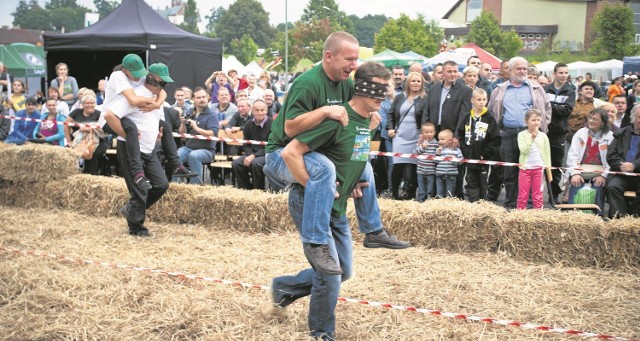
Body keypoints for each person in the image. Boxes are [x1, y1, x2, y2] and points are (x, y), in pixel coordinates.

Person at [264, 32, 410, 267]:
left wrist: (369, 122)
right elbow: (289, 128)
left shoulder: (347, 84)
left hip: (313, 150)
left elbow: (353, 122)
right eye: (349, 59)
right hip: (281, 154)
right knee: (325, 169)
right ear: (329, 56)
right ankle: (316, 243)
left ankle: (373, 230)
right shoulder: (307, 83)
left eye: (356, 60)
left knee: (366, 171)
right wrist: (324, 111)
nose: (354, 66)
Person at [271, 61, 392, 340]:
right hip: (309, 197)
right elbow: (290, 148)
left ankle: (284, 287)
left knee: (344, 271)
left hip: (335, 206)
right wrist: (320, 189)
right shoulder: (318, 99)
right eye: (377, 90)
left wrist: (350, 184)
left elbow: (354, 157)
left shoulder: (360, 118)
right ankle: (322, 332)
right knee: (329, 273)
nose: (381, 96)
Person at [104, 63, 172, 236]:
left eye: (165, 84)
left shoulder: (157, 96)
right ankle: (136, 227)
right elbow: (109, 115)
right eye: (162, 83)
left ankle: (131, 209)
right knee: (139, 189)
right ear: (151, 79)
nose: (164, 87)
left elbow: (158, 110)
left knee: (161, 184)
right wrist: (127, 136)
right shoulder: (133, 95)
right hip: (131, 149)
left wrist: (157, 128)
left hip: (149, 149)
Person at [488, 56, 551, 209]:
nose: (522, 71)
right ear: (510, 71)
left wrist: (541, 128)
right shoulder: (500, 89)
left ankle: (529, 205)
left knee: (531, 169)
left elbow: (547, 109)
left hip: (531, 134)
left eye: (524, 68)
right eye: (518, 68)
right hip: (507, 134)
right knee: (510, 171)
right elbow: (491, 111)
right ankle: (511, 203)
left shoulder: (536, 88)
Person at [425, 60, 473, 199]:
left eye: (455, 71)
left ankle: (455, 196)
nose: (453, 74)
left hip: (453, 133)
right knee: (434, 164)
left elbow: (464, 115)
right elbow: (426, 111)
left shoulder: (465, 90)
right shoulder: (433, 89)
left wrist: (457, 135)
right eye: (449, 71)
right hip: (434, 133)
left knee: (454, 168)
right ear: (443, 73)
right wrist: (425, 132)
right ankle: (435, 196)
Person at [565, 108, 613, 215]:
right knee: (576, 183)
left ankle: (597, 216)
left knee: (598, 186)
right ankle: (572, 215)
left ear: (603, 122)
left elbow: (612, 161)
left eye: (595, 119)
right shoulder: (581, 133)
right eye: (590, 118)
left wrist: (603, 176)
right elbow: (572, 155)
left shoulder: (610, 137)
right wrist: (575, 173)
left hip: (600, 172)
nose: (591, 121)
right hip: (580, 170)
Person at [386, 71, 427, 200]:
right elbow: (391, 114)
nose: (416, 83)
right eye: (413, 81)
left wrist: (424, 133)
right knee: (397, 165)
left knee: (413, 167)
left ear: (422, 83)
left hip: (416, 137)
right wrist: (391, 128)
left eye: (418, 81)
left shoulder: (425, 98)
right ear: (408, 82)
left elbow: (427, 117)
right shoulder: (399, 97)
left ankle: (409, 194)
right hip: (400, 136)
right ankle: (394, 194)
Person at [457, 88, 501, 202]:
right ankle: (474, 205)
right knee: (471, 182)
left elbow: (495, 139)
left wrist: (485, 153)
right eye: (479, 99)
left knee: (482, 183)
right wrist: (464, 150)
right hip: (469, 157)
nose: (482, 102)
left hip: (483, 159)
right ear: (472, 100)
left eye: (484, 99)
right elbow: (461, 134)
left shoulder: (489, 118)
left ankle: (482, 205)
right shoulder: (467, 117)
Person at [544, 62, 576, 203]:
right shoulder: (545, 89)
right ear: (554, 73)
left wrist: (548, 106)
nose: (564, 75)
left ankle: (554, 195)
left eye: (566, 73)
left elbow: (567, 110)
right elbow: (539, 107)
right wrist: (557, 107)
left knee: (556, 165)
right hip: (544, 131)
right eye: (561, 72)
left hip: (559, 133)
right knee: (540, 164)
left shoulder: (570, 91)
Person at [177, 87, 219, 185]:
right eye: (199, 97)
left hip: (207, 150)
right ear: (193, 100)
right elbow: (182, 135)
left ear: (207, 98)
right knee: (176, 156)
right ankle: (173, 187)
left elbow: (212, 133)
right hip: (189, 147)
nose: (202, 99)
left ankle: (195, 187)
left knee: (194, 156)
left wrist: (197, 128)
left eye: (204, 97)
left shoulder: (212, 114)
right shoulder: (189, 112)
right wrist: (182, 124)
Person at [605, 105, 640, 218]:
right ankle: (619, 220)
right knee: (612, 186)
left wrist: (634, 165)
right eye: (639, 117)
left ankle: (634, 220)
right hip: (622, 174)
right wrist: (621, 165)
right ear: (633, 118)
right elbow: (611, 154)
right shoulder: (621, 133)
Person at [231, 99, 272, 190]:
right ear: (252, 111)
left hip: (266, 153)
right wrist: (250, 155)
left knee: (255, 163)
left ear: (266, 111)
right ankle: (246, 190)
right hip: (251, 153)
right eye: (257, 110)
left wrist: (253, 156)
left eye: (262, 110)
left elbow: (271, 146)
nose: (260, 113)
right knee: (236, 163)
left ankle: (258, 191)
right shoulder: (248, 124)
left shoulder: (272, 124)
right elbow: (246, 144)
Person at [64, 94, 108, 175]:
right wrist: (69, 141)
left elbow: (105, 130)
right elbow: (66, 125)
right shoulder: (76, 112)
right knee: (67, 151)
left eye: (92, 103)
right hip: (78, 141)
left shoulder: (99, 114)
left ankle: (91, 175)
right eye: (87, 103)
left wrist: (91, 129)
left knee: (92, 153)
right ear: (83, 104)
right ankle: (72, 174)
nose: (90, 105)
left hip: (97, 142)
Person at [517, 109, 551, 210]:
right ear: (526, 121)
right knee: (523, 194)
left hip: (539, 170)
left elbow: (547, 153)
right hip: (525, 169)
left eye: (538, 120)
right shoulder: (522, 135)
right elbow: (523, 150)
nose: (536, 122)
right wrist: (531, 138)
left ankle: (538, 215)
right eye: (533, 120)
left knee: (538, 194)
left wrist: (547, 168)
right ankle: (520, 214)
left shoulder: (543, 136)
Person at [434, 128, 463, 198]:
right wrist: (437, 153)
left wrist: (454, 159)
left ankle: (448, 207)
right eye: (439, 139)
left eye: (442, 139)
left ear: (450, 141)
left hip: (451, 176)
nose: (440, 141)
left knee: (449, 195)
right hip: (439, 175)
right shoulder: (439, 150)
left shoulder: (456, 150)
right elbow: (435, 161)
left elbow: (461, 161)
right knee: (439, 194)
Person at [414, 121, 438, 202]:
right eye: (426, 132)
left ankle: (429, 204)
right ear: (422, 133)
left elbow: (437, 157)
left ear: (434, 132)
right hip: (420, 171)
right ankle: (420, 203)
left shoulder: (436, 144)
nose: (429, 134)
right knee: (421, 190)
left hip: (431, 171)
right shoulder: (420, 142)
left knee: (430, 190)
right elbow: (415, 153)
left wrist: (437, 153)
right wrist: (422, 147)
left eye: (431, 132)